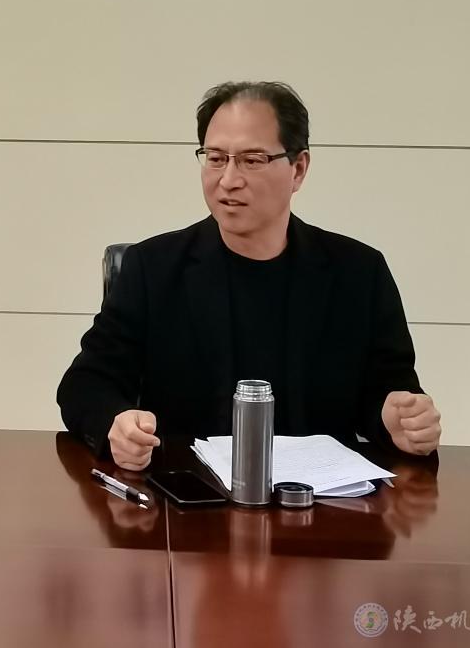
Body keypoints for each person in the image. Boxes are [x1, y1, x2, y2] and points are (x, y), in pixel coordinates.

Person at [57, 81, 441, 471]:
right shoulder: (152, 268)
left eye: (252, 160)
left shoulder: (359, 273)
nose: (228, 180)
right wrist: (116, 424)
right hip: (189, 495)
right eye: (215, 158)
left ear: (298, 169)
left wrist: (399, 420)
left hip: (322, 499)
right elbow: (85, 384)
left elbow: (389, 390)